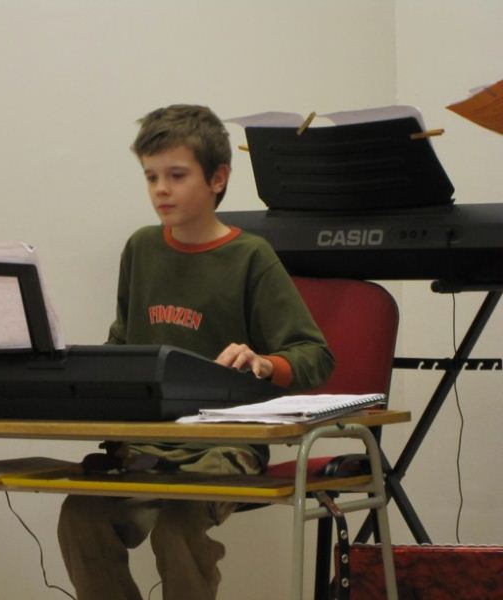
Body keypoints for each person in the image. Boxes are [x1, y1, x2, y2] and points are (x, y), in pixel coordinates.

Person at [57, 104, 335, 600]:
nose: (161, 189)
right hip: (147, 445)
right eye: (151, 177)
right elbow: (123, 342)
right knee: (82, 513)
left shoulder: (250, 257)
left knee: (178, 525)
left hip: (223, 447)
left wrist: (265, 363)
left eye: (177, 175)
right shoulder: (141, 249)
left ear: (217, 178)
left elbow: (315, 354)